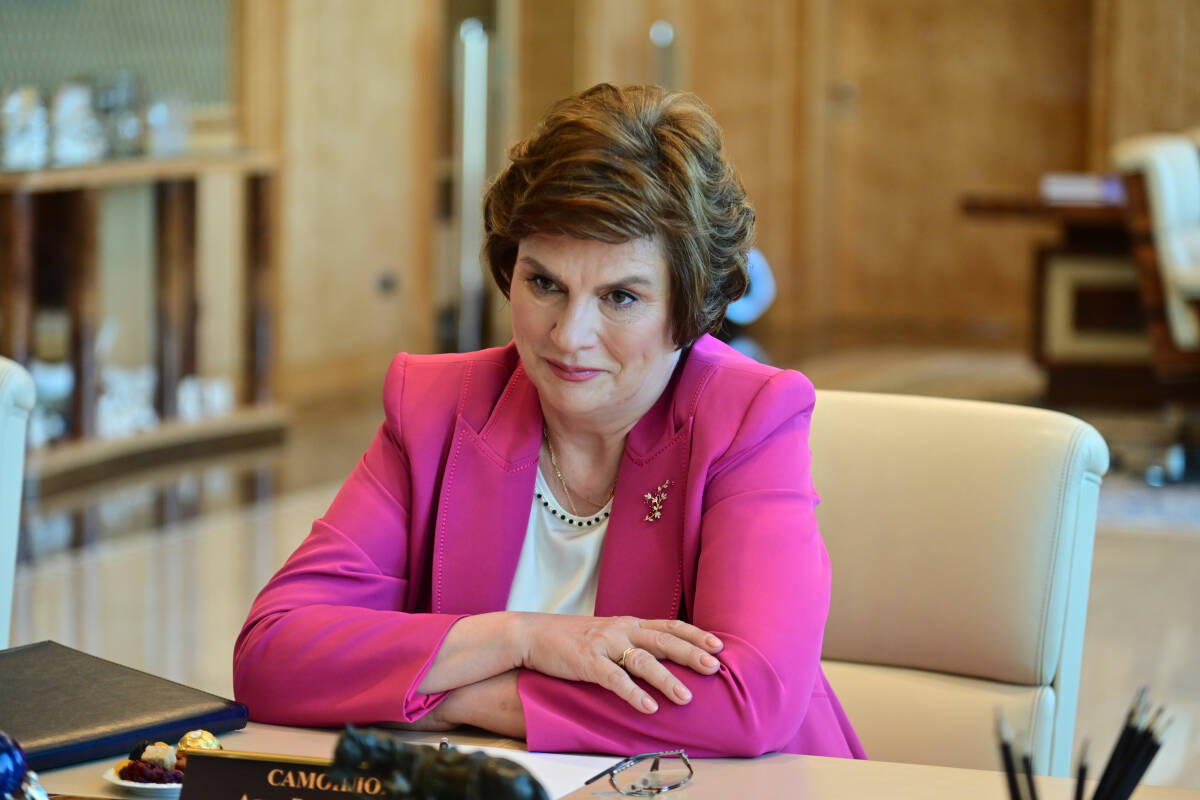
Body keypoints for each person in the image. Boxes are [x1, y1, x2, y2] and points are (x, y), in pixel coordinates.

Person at [233, 83, 865, 760]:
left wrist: (464, 697)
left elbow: (747, 702)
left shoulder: (749, 418)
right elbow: (272, 652)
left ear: (690, 307)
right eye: (544, 284)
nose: (569, 335)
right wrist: (522, 637)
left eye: (620, 297)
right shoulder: (434, 407)